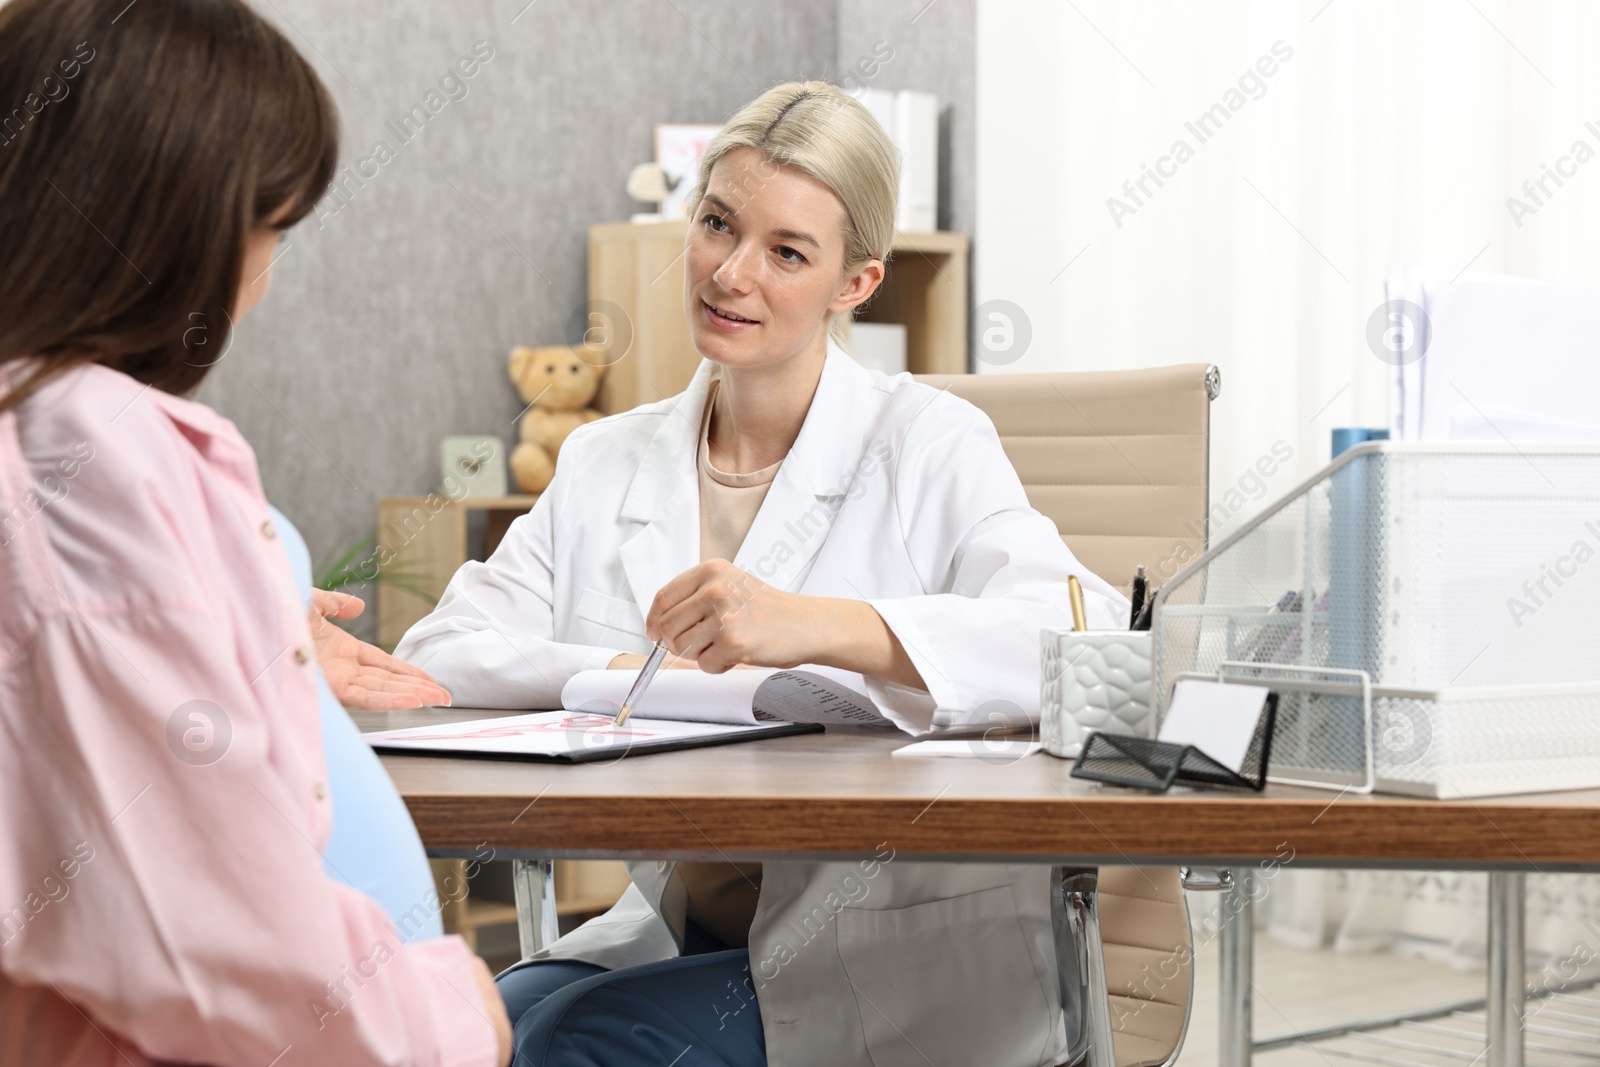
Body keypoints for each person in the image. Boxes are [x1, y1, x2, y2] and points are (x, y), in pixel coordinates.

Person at [397, 82, 1126, 1067]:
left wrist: (814, 628)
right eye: (716, 225)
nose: (732, 273)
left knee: (573, 1039)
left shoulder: (930, 442)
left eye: (786, 252)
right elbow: (440, 650)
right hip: (685, 930)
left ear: (856, 283)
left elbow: (1085, 641)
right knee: (465, 1025)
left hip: (884, 956)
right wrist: (643, 670)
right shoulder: (609, 458)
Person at [0, 1, 510, 1064]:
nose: (263, 274)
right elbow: (205, 939)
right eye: (269, 226)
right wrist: (457, 1015)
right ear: (169, 219)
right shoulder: (81, 451)